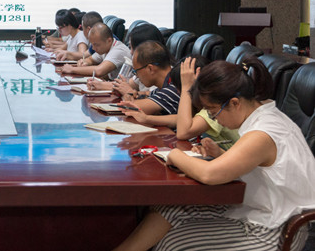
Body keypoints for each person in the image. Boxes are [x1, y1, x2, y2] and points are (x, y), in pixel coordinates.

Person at [114, 57, 315, 251]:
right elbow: (261, 168)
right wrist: (220, 155)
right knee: (170, 208)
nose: (215, 120)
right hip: (258, 206)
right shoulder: (262, 115)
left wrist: (174, 154)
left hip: (275, 229)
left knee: (174, 243)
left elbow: (209, 174)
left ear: (235, 103)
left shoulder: (264, 132)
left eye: (213, 112)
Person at [118, 40, 179, 115]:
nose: (136, 76)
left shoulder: (174, 86)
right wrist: (135, 95)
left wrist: (127, 94)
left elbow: (132, 107)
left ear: (150, 69)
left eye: (136, 71)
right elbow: (147, 96)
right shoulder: (166, 83)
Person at [61, 23, 130, 79]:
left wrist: (71, 69)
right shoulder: (104, 48)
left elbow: (99, 71)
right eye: (92, 45)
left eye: (96, 45)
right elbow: (90, 60)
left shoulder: (118, 50)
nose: (93, 48)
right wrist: (84, 62)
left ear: (109, 41)